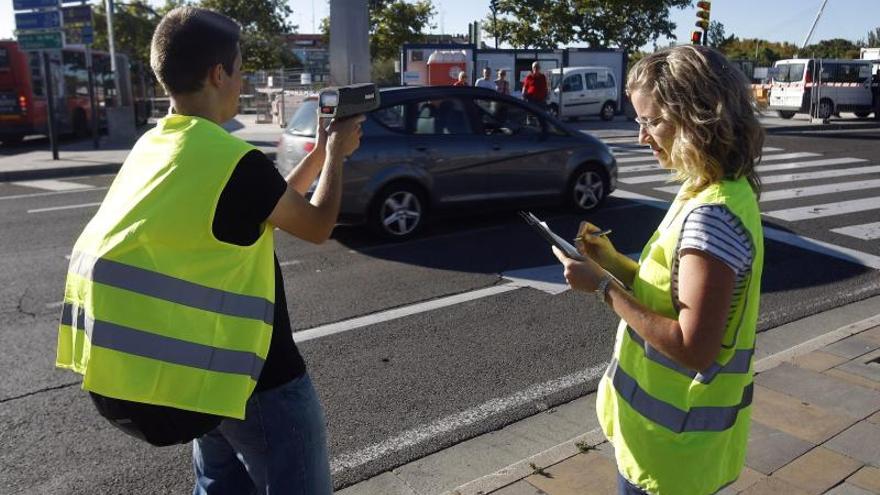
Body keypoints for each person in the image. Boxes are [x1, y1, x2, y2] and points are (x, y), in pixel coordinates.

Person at [54, 7, 363, 494]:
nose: (244, 80)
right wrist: (340, 160)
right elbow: (318, 224)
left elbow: (263, 203)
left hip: (199, 378)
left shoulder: (157, 144)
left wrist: (320, 153)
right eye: (241, 68)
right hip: (260, 378)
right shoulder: (233, 159)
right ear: (219, 73)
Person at [552, 45, 765, 495]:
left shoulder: (712, 214)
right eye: (639, 121)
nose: (642, 137)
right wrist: (609, 263)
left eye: (652, 121)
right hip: (663, 444)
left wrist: (602, 288)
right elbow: (669, 292)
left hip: (671, 454)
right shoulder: (712, 188)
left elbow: (694, 347)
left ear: (698, 118)